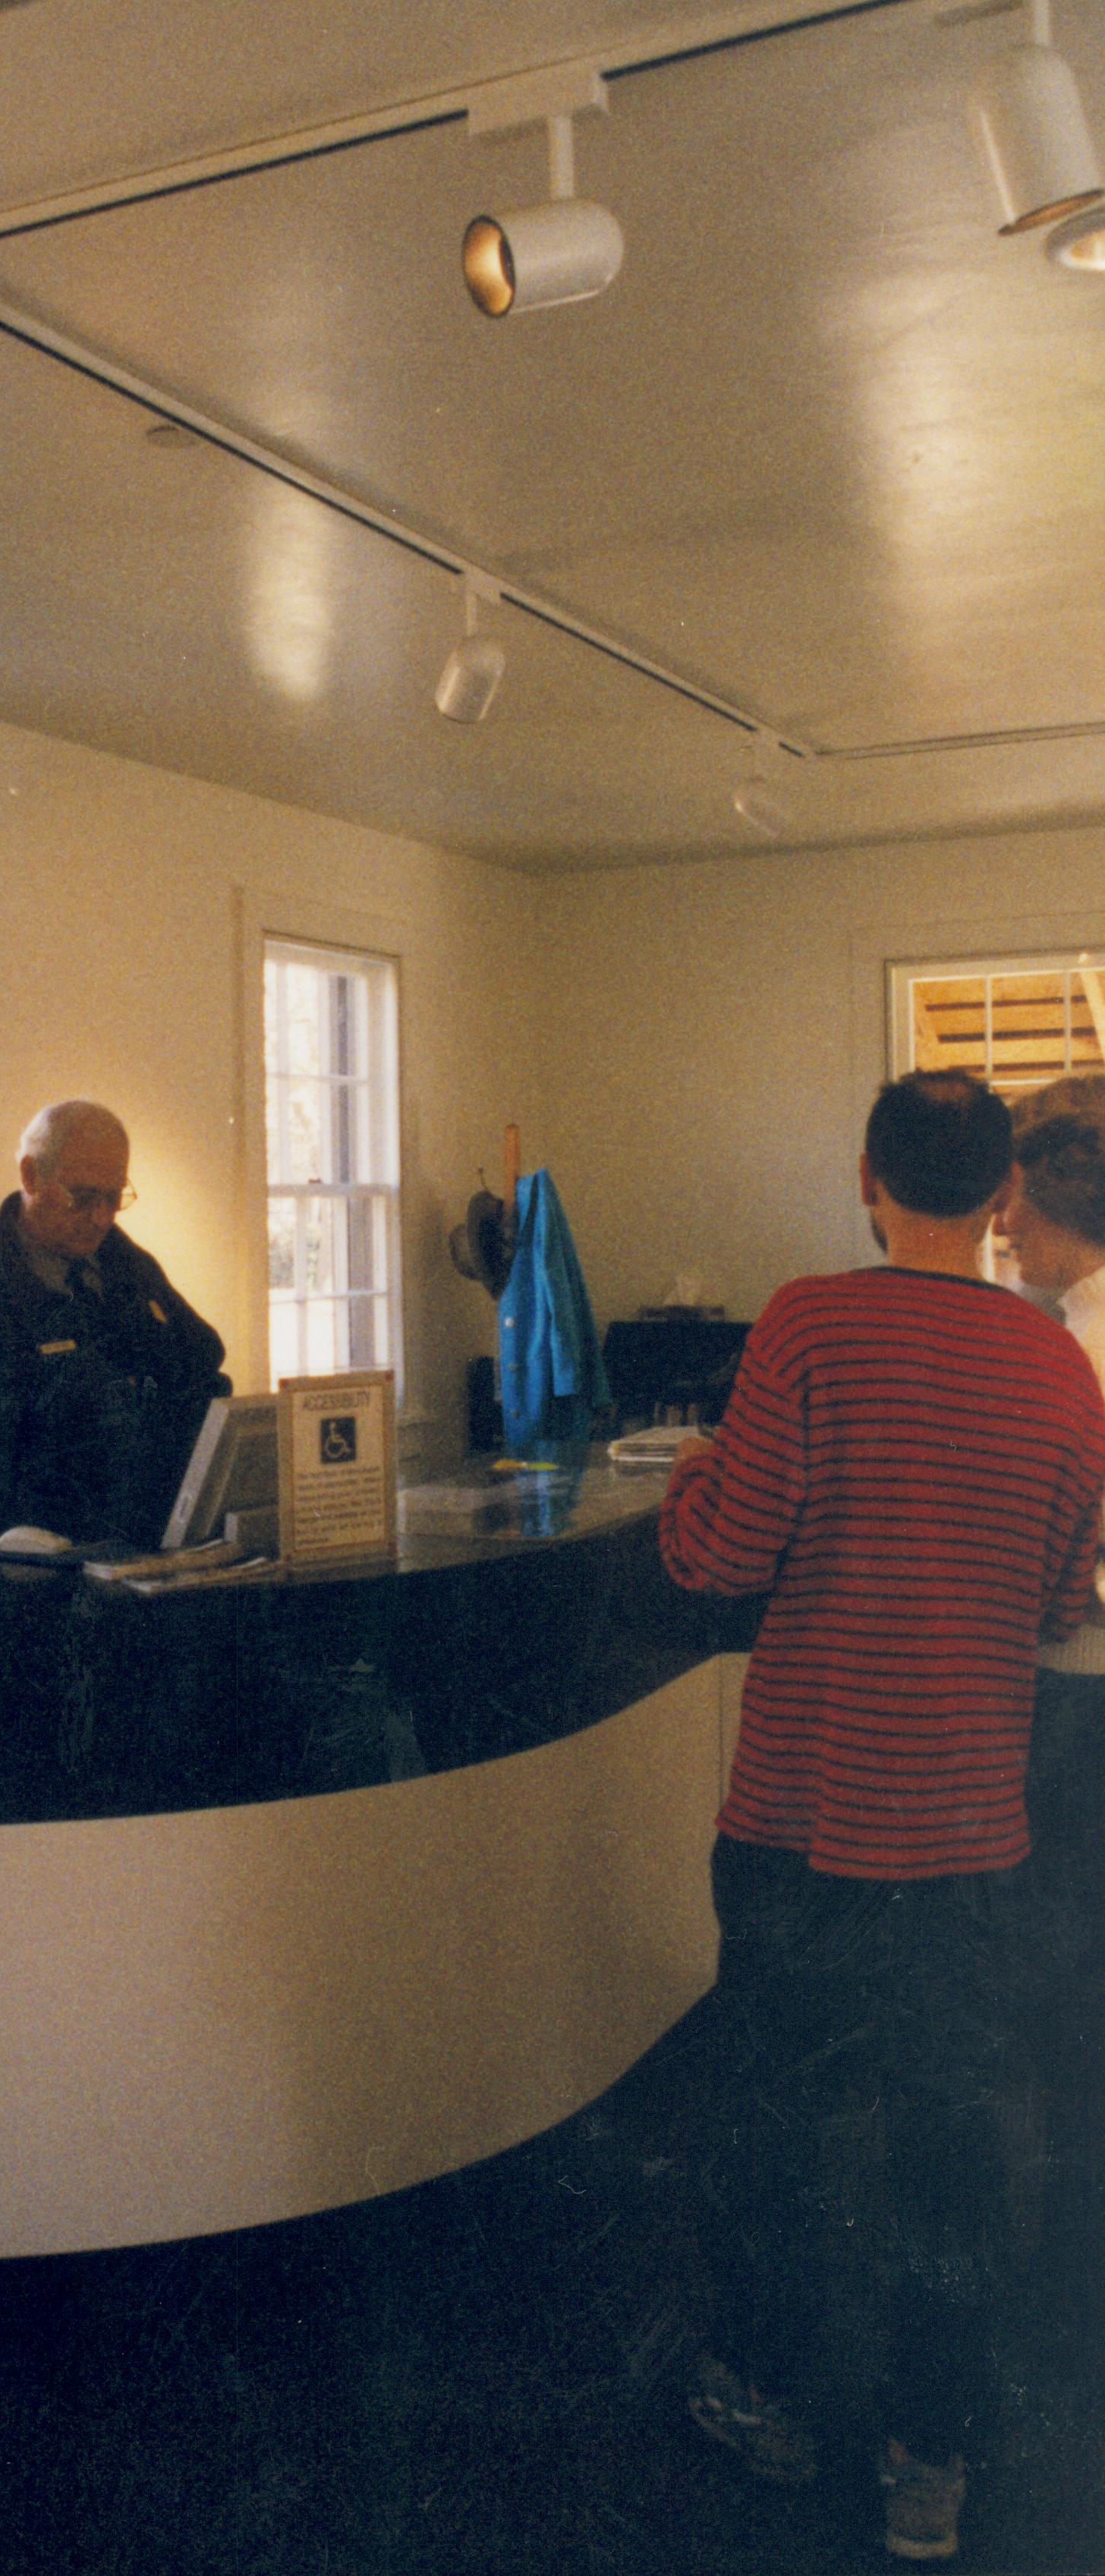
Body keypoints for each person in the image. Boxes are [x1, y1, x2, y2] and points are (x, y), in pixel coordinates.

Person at [658, 1070, 1105, 2563]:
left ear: (866, 1179)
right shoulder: (1061, 1375)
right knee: (949, 2158)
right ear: (999, 1198)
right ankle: (933, 2465)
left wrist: (694, 1483)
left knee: (775, 2129)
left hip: (800, 1810)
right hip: (968, 1828)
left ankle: (768, 2400)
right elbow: (1057, 1603)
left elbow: (723, 1557)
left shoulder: (806, 1324)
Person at [0, 1099, 228, 1550]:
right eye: (83, 1196)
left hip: (149, 1553)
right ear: (30, 1177)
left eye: (113, 1198)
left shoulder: (126, 1267)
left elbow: (203, 1364)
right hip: (43, 1579)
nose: (100, 1217)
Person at [1001, 1075, 1105, 2344]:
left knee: (1064, 1972)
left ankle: (1074, 2265)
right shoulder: (1057, 1321)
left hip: (1080, 1690)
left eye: (1014, 1205)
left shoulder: (1070, 1341)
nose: (1002, 1226)